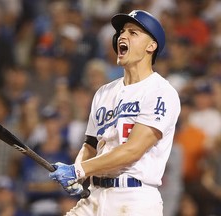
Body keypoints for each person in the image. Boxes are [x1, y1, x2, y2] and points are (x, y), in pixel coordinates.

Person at [49, 10, 181, 216]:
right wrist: (78, 172)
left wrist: (79, 170)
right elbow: (91, 145)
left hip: (133, 198)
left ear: (151, 46)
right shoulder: (104, 92)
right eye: (121, 32)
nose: (122, 36)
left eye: (133, 32)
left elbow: (132, 150)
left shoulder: (161, 92)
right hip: (94, 196)